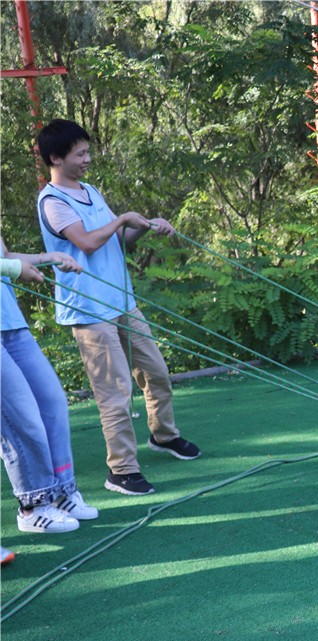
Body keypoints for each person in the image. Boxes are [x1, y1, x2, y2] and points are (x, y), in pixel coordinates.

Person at [36, 119, 200, 496]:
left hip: (122, 302)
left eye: (88, 152)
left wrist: (145, 225)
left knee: (157, 372)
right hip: (90, 311)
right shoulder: (52, 202)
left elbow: (117, 240)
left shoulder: (90, 191)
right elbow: (87, 242)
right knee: (116, 391)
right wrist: (122, 219)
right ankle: (122, 470)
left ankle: (164, 436)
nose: (87, 159)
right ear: (56, 158)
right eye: (80, 154)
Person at [1, 236, 99, 545]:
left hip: (11, 323)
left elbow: (5, 255)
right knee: (21, 415)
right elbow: (8, 265)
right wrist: (14, 269)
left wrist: (47, 258)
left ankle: (61, 492)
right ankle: (33, 505)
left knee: (52, 403)